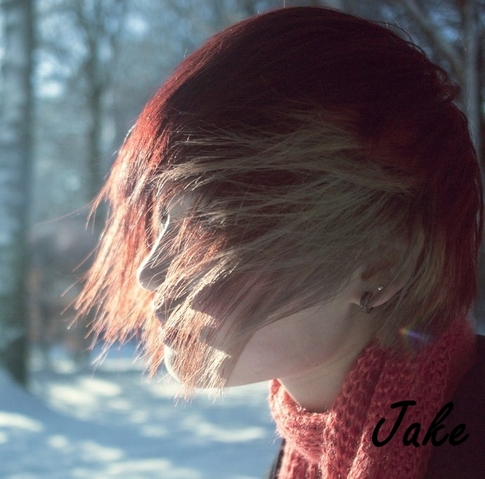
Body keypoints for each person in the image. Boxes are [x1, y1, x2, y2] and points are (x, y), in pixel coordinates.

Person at [77, 6, 485, 478]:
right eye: (165, 216)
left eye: (210, 221)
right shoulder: (310, 455)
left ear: (382, 264)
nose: (149, 271)